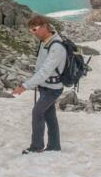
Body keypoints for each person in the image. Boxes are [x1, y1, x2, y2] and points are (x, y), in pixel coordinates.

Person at [12, 14, 66, 154]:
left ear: (44, 27)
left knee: (37, 112)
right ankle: (54, 146)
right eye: (31, 31)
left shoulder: (56, 47)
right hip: (45, 86)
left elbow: (45, 71)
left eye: (34, 30)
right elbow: (41, 68)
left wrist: (25, 86)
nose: (33, 33)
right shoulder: (45, 42)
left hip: (53, 88)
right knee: (49, 115)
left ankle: (36, 147)